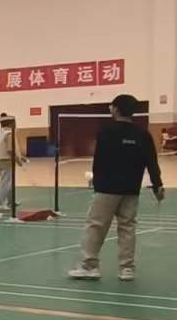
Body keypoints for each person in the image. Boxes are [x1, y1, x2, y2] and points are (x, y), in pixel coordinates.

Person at [68, 94, 164, 282]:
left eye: (111, 106)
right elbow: (151, 161)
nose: (109, 108)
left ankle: (90, 266)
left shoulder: (106, 132)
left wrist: (97, 184)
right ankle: (126, 269)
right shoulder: (143, 134)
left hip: (107, 189)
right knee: (127, 228)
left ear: (117, 109)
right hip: (131, 189)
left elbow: (99, 160)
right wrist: (157, 185)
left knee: (96, 226)